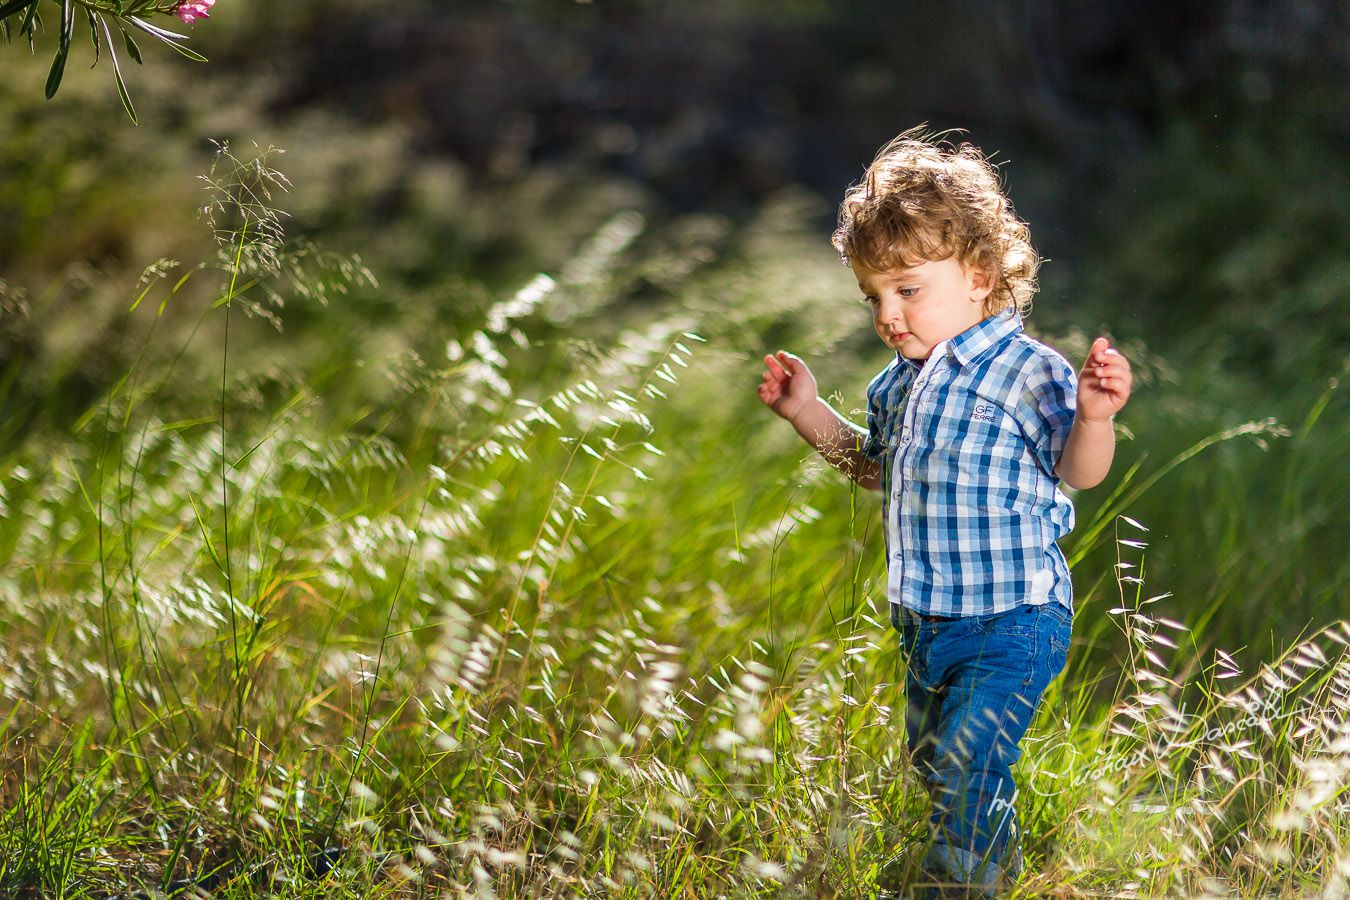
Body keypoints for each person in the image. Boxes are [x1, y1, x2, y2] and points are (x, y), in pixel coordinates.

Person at [757, 126, 1133, 897]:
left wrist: (1095, 418)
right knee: (938, 768)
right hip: (927, 623)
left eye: (907, 289)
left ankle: (964, 887)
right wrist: (807, 413)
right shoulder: (898, 382)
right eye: (875, 297)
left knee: (969, 759)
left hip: (1013, 617)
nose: (889, 315)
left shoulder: (1026, 369)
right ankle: (992, 864)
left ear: (980, 274)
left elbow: (1079, 472)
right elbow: (872, 467)